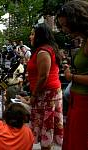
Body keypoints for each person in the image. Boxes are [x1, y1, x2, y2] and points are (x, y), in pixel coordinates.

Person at [56, 1, 88, 150]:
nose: (63, 29)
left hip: (84, 105)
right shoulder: (85, 41)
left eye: (65, 25)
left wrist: (71, 77)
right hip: (77, 102)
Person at [27, 23, 63, 150]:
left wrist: (34, 95)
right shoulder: (43, 50)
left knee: (47, 130)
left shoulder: (43, 51)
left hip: (47, 95)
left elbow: (43, 76)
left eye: (32, 34)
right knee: (46, 130)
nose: (30, 37)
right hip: (47, 94)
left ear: (39, 36)